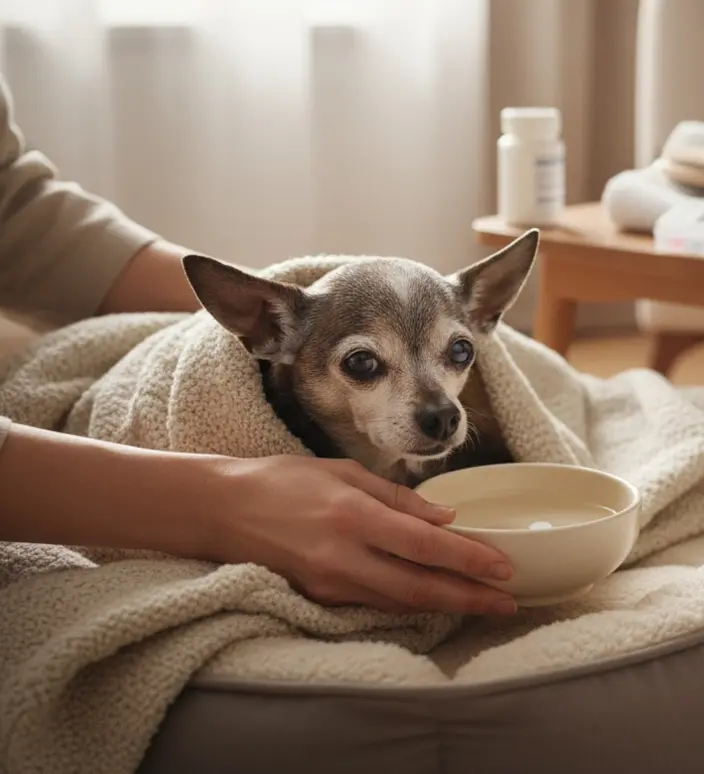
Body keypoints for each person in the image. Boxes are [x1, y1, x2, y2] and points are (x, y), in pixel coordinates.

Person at [0, 74, 517, 616]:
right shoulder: (265, 348)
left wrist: (329, 308)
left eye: (456, 354)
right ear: (267, 334)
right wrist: (219, 505)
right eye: (365, 364)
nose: (439, 408)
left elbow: (15, 204)